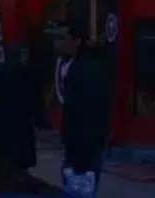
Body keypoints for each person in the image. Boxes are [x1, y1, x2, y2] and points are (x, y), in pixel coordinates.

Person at [57, 13, 110, 197]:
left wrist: (74, 141)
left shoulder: (81, 69)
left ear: (77, 41)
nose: (61, 44)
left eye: (65, 39)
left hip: (82, 144)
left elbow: (81, 109)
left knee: (78, 187)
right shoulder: (90, 66)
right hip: (89, 142)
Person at [0, 43, 47, 170]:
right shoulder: (27, 77)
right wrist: (40, 120)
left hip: (1, 134)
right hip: (21, 133)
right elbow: (36, 103)